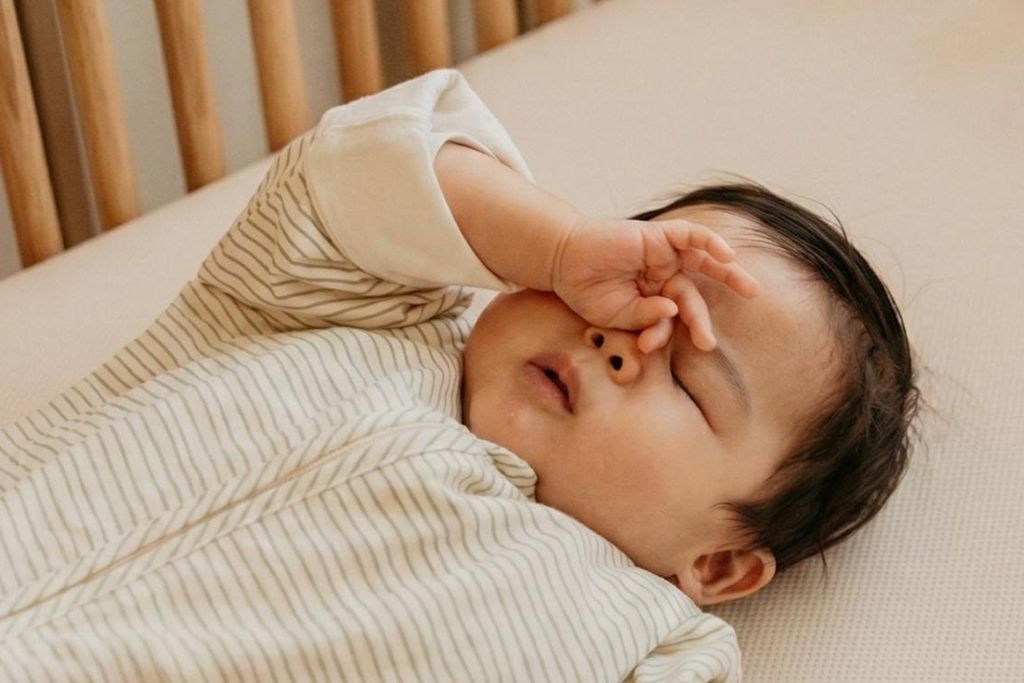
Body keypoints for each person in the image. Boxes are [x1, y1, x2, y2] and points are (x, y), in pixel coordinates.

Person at [0, 68, 916, 682]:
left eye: (689, 380)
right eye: (635, 289)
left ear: (716, 561)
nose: (623, 339)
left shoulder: (647, 632)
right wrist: (555, 243)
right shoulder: (358, 307)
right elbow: (359, 167)